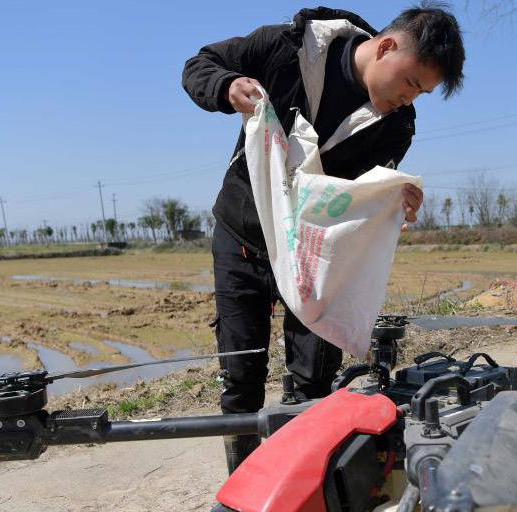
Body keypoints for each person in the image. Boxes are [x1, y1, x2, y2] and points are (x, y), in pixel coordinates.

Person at [181, 2, 465, 473]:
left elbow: (366, 193)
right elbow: (199, 65)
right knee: (240, 375)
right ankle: (245, 484)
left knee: (314, 380)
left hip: (314, 255)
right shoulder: (286, 48)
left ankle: (300, 482)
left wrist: (396, 198)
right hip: (244, 235)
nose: (410, 99)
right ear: (387, 47)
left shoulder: (397, 124)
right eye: (412, 82)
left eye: (423, 93)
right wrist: (227, 86)